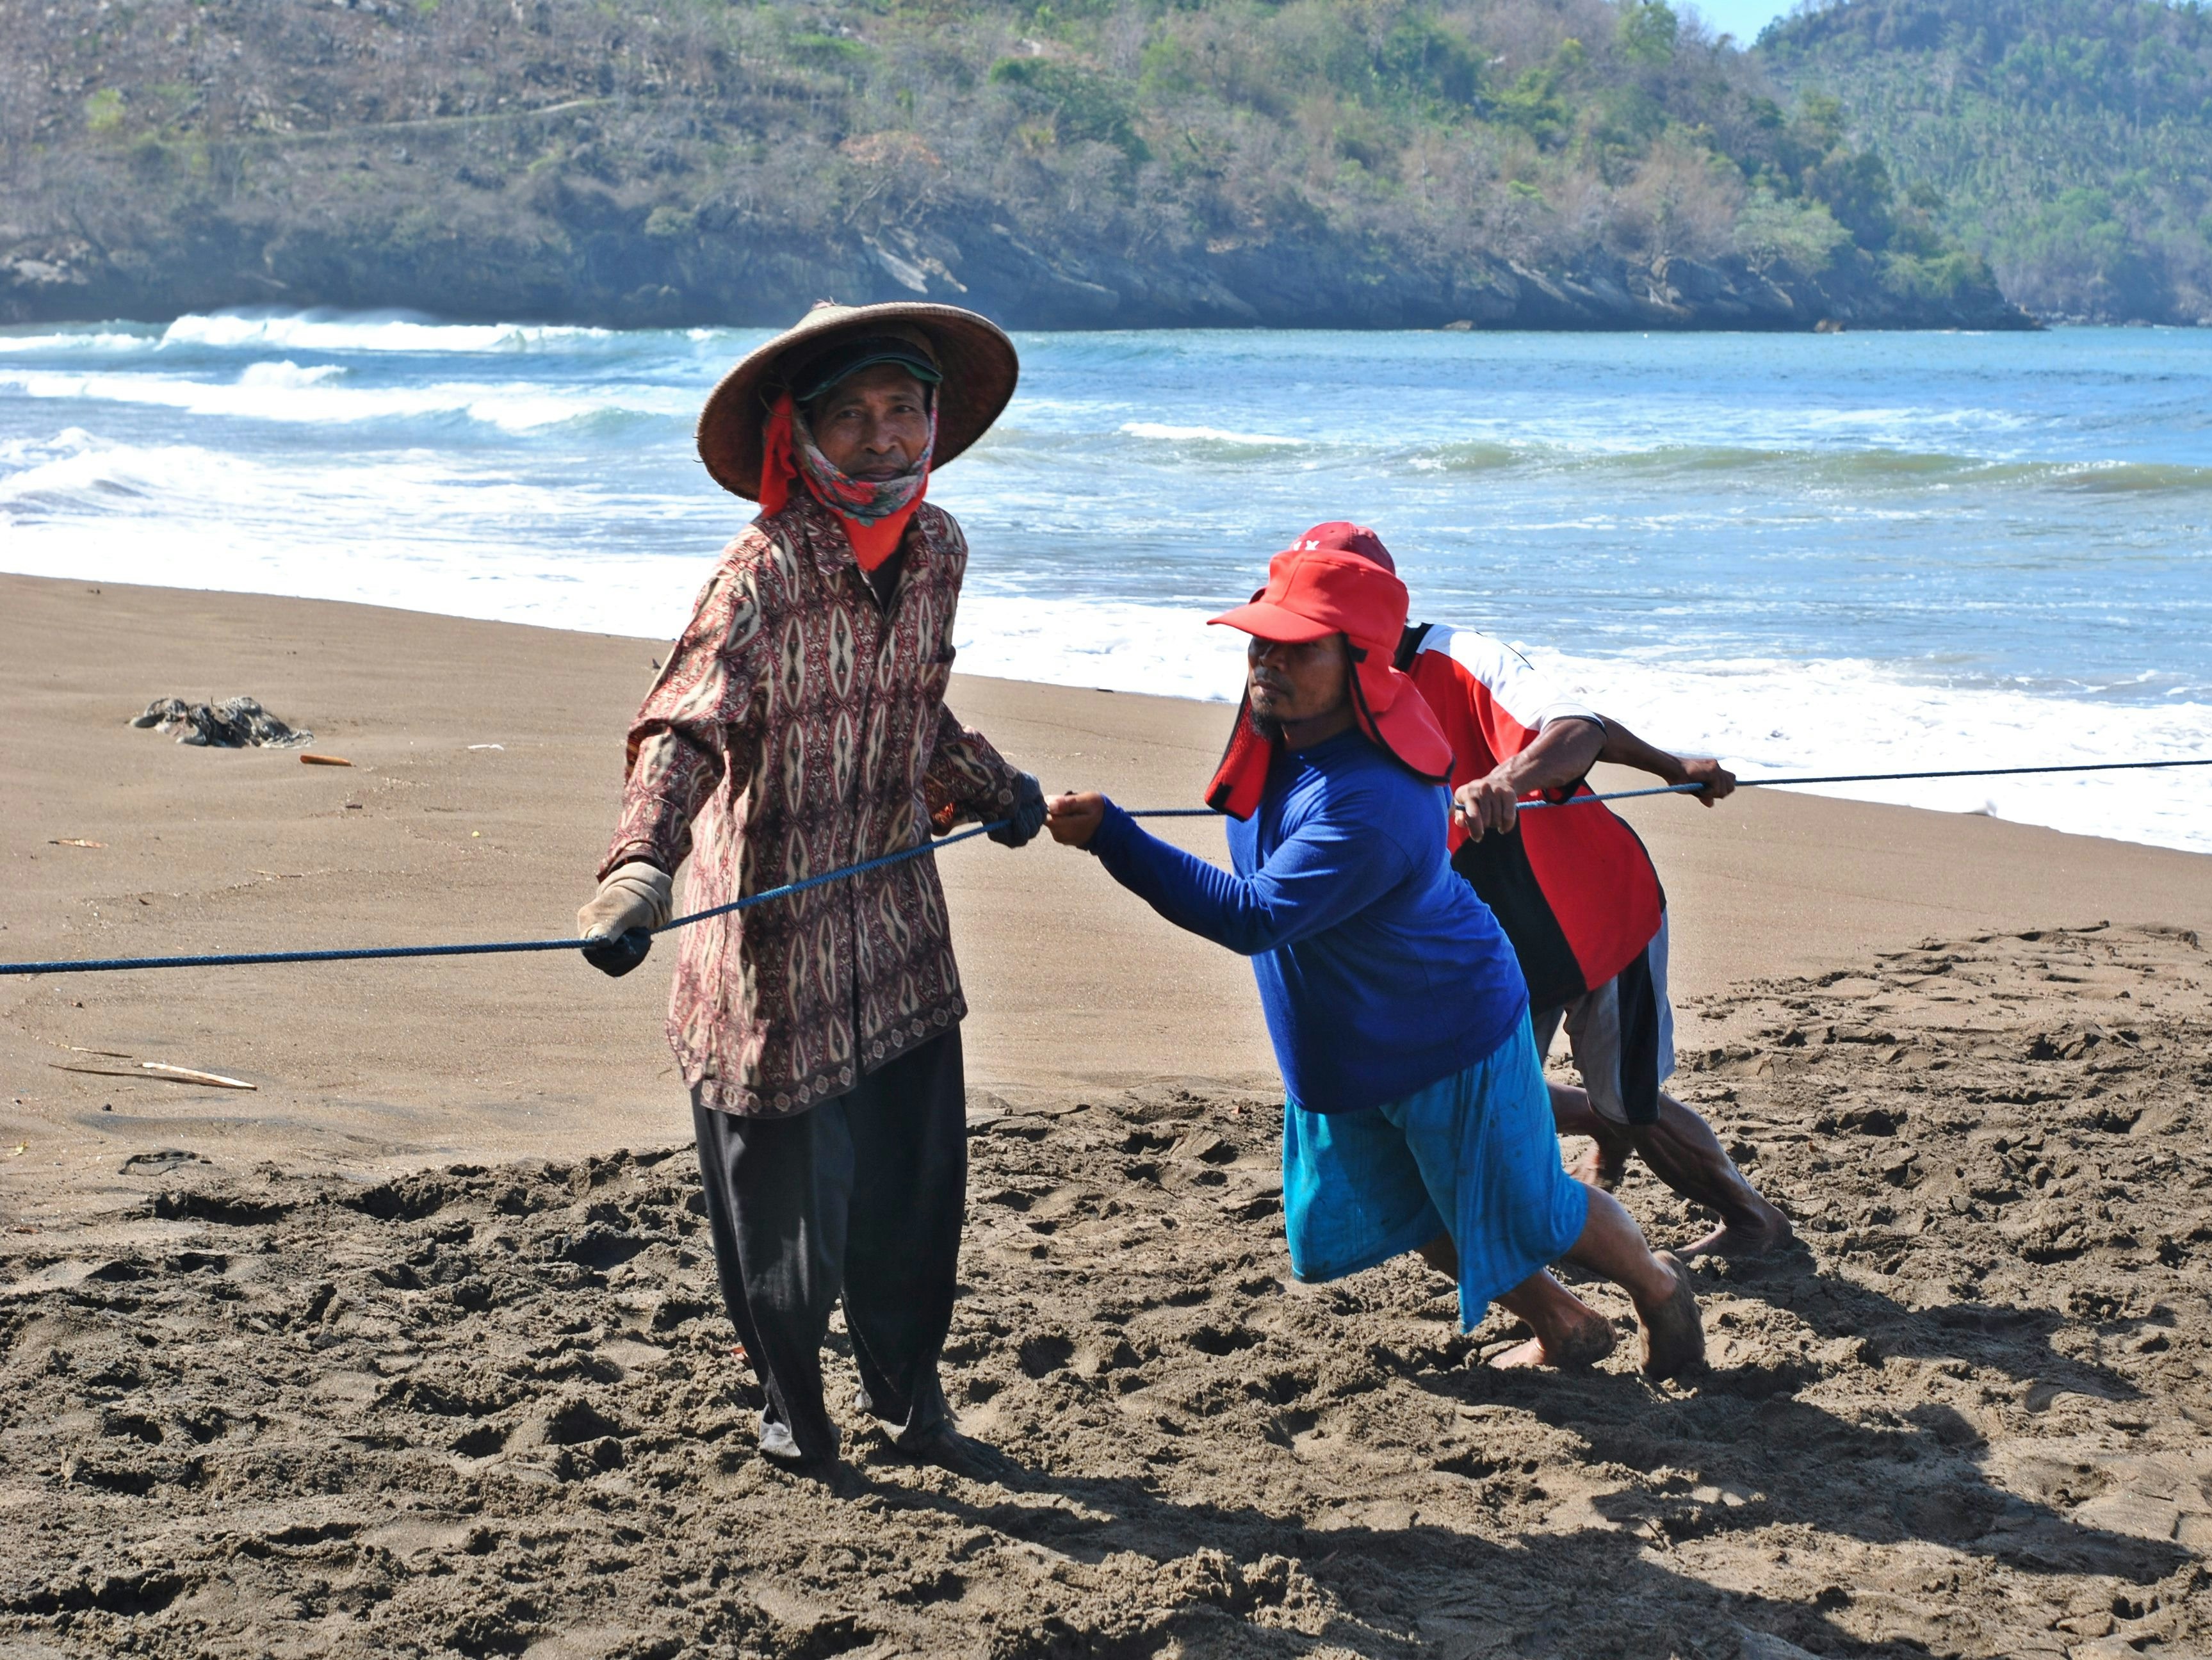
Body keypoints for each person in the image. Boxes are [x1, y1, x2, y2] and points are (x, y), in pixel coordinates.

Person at [1045, 525, 1704, 1381]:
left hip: (1444, 1034)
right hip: (1346, 1048)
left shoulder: (1374, 796)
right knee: (1408, 1212)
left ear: (1361, 662)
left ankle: (1658, 1286)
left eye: (1297, 648)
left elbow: (1252, 917)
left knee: (1536, 1211)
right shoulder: (1280, 737)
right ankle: (1565, 1323)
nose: (1267, 662)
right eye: (1261, 641)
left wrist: (1113, 838)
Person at [574, 301, 1048, 1475]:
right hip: (772, 940)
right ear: (801, 434)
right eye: (852, 416)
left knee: (914, 1188)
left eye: (904, 410)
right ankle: (795, 1409)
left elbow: (912, 704)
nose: (884, 439)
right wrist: (639, 868)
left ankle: (912, 1401)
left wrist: (996, 788)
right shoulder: (762, 573)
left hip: (895, 926)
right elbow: (683, 724)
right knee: (785, 1208)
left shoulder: (939, 549)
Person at [1397, 603, 1794, 1258]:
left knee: (1629, 1104)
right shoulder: (1319, 697)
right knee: (1477, 1094)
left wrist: (1507, 778)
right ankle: (1597, 1122)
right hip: (1487, 944)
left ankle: (1754, 1221)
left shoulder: (1454, 656)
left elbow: (1577, 727)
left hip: (1594, 915)